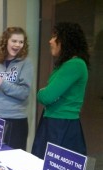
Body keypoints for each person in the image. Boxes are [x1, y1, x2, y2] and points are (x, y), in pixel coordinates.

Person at [31, 22, 89, 159]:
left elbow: (46, 96)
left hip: (62, 125)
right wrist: (47, 92)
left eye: (54, 37)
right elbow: (51, 94)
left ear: (65, 40)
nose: (50, 41)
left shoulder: (75, 64)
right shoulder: (66, 64)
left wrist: (41, 92)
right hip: (55, 122)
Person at [0, 27, 33, 151]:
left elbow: (24, 93)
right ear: (6, 42)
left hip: (14, 120)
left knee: (13, 161)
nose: (17, 45)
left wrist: (2, 83)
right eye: (14, 41)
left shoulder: (26, 63)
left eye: (21, 42)